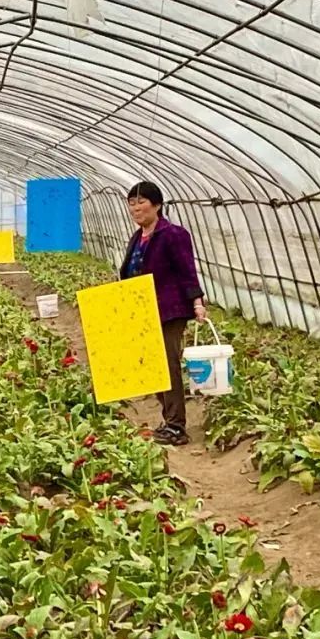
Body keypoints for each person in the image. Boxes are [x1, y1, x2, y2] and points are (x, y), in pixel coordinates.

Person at [119, 182, 207, 446]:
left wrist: (197, 301)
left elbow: (186, 269)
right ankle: (168, 419)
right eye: (131, 203)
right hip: (143, 310)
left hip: (169, 309)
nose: (135, 208)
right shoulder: (138, 237)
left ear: (157, 204)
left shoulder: (173, 234)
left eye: (141, 201)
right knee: (152, 367)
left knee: (168, 365)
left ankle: (177, 426)